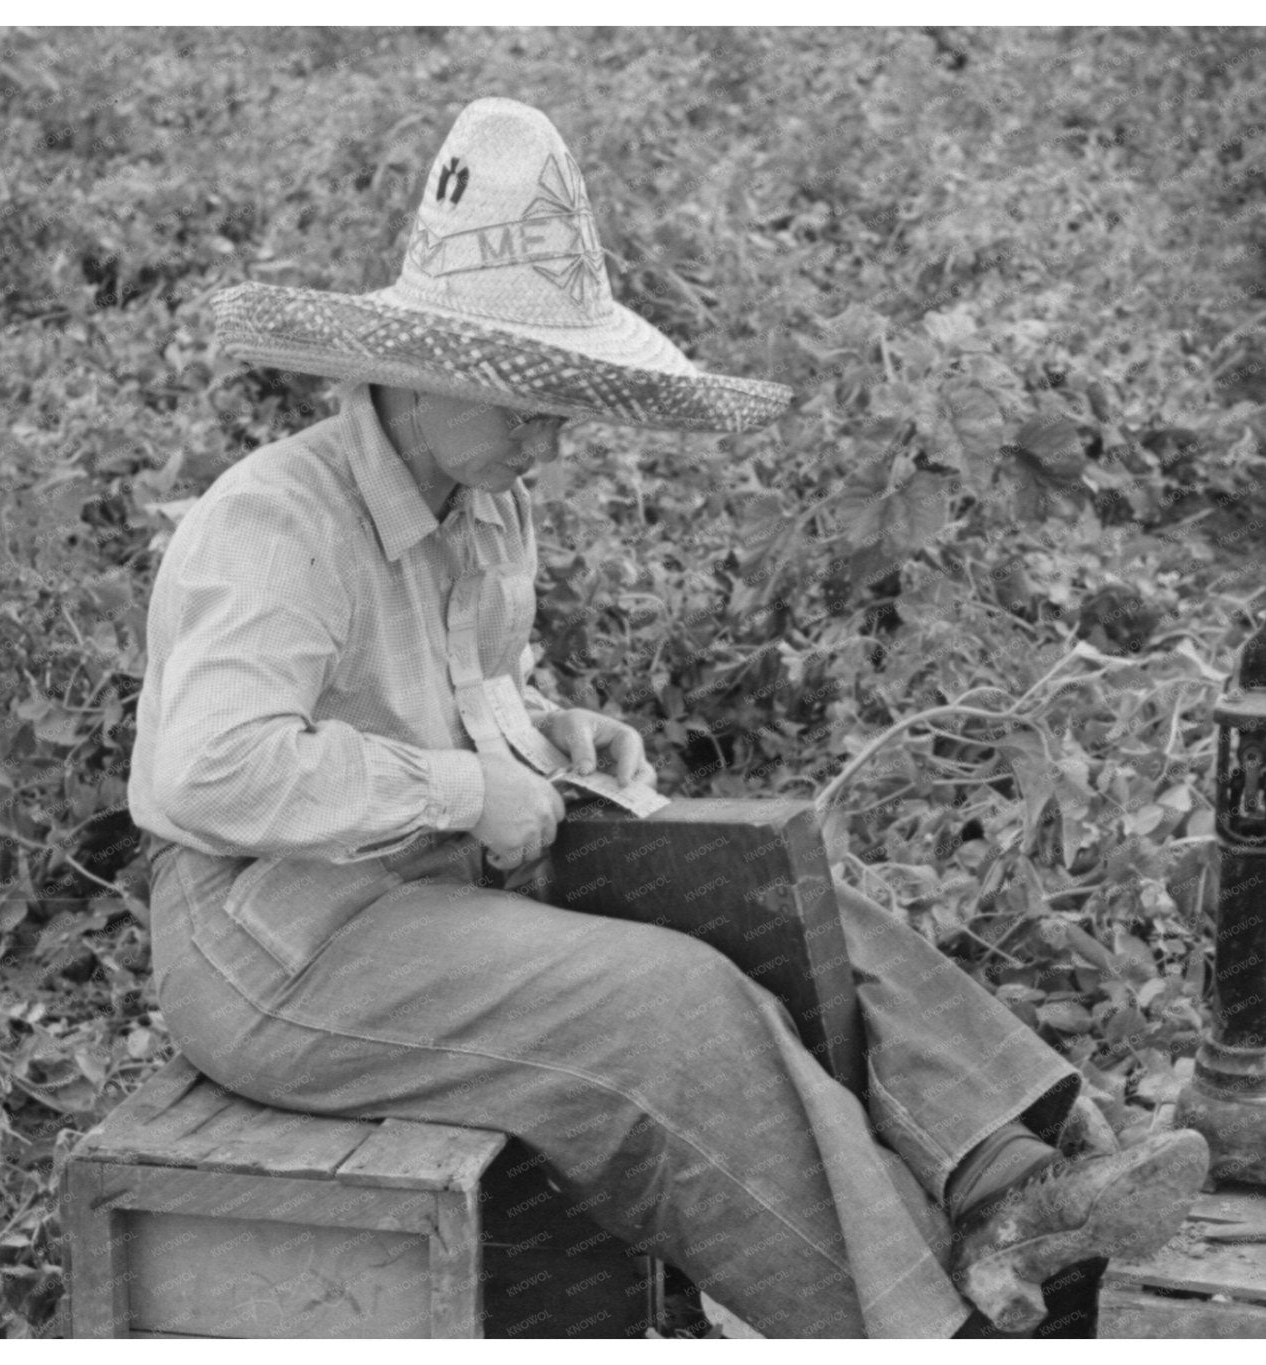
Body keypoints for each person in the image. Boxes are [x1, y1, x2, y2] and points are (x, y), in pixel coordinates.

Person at [130, 96, 1206, 1339]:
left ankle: (1007, 1183)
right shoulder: (277, 518)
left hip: (433, 885)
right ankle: (920, 1325)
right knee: (667, 1008)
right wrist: (466, 790)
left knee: (770, 889)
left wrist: (545, 734)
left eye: (559, 399)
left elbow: (463, 699)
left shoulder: (483, 508)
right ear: (411, 379)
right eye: (524, 399)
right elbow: (207, 771)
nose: (551, 431)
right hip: (274, 943)